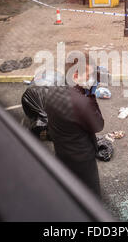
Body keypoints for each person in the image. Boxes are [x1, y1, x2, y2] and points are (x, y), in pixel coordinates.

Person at [44, 54, 104, 196]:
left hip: (62, 151)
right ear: (75, 75)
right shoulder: (82, 103)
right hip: (82, 158)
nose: (92, 79)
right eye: (89, 75)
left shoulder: (52, 89)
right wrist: (91, 96)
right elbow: (98, 125)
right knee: (91, 195)